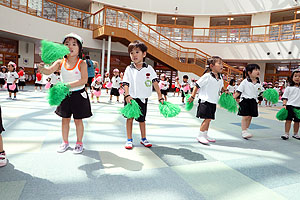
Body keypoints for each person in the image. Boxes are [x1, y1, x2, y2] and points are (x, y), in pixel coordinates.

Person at [38, 33, 92, 154]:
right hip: (64, 95)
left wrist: (66, 86)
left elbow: (84, 80)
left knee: (78, 120)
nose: (70, 46)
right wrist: (42, 68)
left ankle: (79, 143)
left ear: (79, 48)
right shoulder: (60, 62)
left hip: (78, 95)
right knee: (65, 119)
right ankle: (65, 142)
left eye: (74, 44)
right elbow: (48, 70)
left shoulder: (82, 63)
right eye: (67, 44)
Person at [122, 40, 164, 149]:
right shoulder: (128, 69)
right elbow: (126, 83)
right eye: (131, 53)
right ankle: (129, 139)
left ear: (144, 54)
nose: (134, 55)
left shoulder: (149, 69)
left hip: (143, 98)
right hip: (130, 99)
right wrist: (127, 95)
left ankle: (143, 138)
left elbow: (155, 82)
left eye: (137, 52)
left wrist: (160, 95)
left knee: (142, 119)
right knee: (129, 118)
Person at [188, 56, 225, 145]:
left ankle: (205, 134)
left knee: (209, 119)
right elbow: (197, 85)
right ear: (212, 66)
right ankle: (200, 135)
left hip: (213, 101)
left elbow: (221, 88)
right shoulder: (207, 76)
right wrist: (192, 96)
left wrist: (225, 91)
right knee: (207, 119)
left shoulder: (220, 77)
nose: (221, 66)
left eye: (222, 64)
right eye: (219, 64)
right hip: (205, 101)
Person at [234, 64, 263, 139]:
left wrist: (264, 96)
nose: (258, 71)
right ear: (249, 72)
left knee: (250, 117)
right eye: (256, 70)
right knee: (245, 116)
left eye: (258, 70)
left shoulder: (259, 83)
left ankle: (246, 130)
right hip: (245, 101)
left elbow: (261, 92)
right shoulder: (245, 82)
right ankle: (244, 131)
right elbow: (238, 91)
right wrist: (233, 98)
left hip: (253, 101)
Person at [280, 68, 300, 140]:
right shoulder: (289, 88)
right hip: (290, 106)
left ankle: (295, 134)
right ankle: (286, 133)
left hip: (299, 107)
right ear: (292, 78)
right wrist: (284, 105)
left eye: (299, 76)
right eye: (296, 76)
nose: (297, 78)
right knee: (288, 120)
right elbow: (285, 97)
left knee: (297, 122)